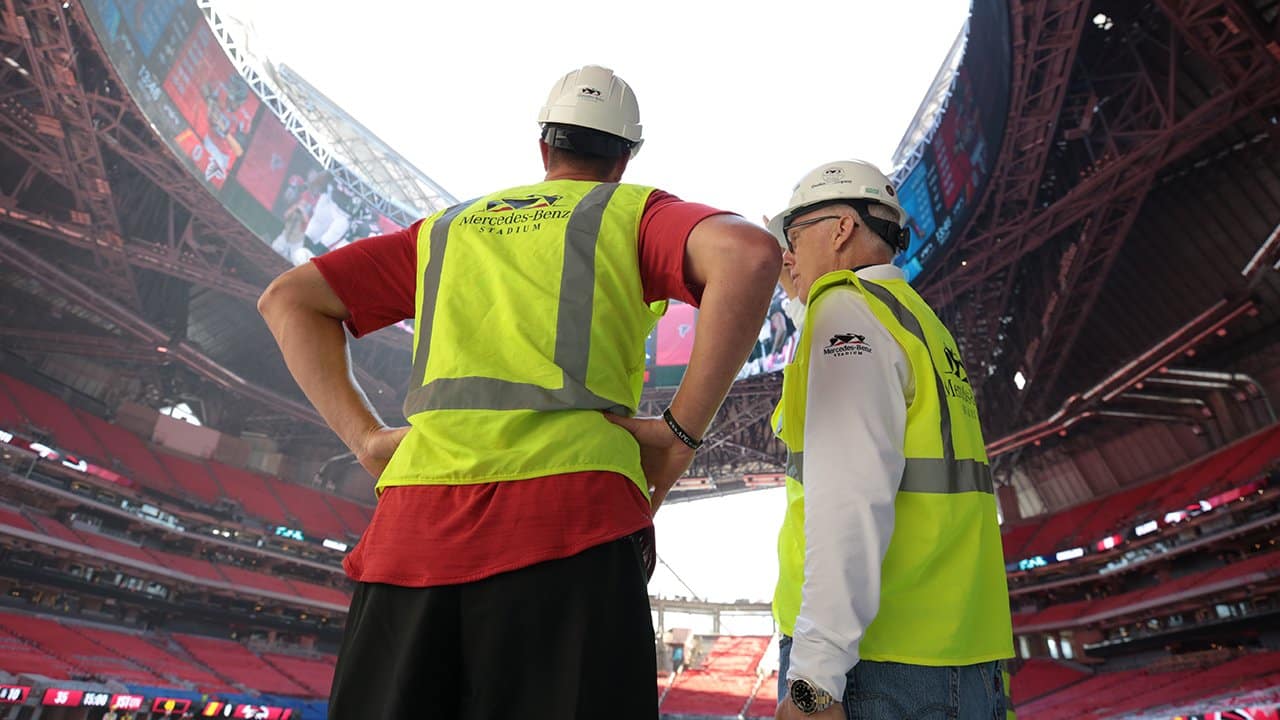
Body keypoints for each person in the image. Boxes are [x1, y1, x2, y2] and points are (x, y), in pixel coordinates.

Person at [257, 64, 780, 720]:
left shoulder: (447, 232)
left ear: (543, 147)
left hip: (410, 540)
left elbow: (288, 300)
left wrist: (367, 438)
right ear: (624, 158)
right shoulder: (628, 213)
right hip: (573, 528)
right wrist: (678, 436)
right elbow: (752, 255)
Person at [765, 160, 1014, 719]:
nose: (787, 255)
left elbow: (847, 499)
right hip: (960, 657)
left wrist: (814, 684)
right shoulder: (917, 322)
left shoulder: (845, 310)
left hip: (881, 668)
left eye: (795, 236)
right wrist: (801, 305)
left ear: (840, 230)